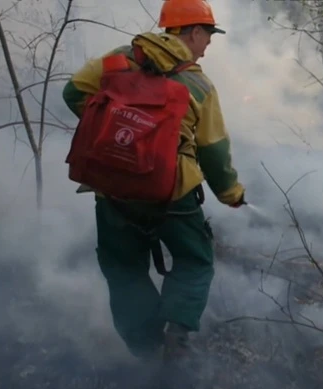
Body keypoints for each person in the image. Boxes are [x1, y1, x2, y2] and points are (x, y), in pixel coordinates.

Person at [61, 0, 245, 364]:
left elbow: (73, 93)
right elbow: (213, 151)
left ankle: (145, 348)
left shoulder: (118, 58)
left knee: (124, 268)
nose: (207, 45)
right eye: (207, 35)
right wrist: (231, 194)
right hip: (172, 194)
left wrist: (114, 129)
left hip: (113, 189)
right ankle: (177, 333)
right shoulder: (198, 83)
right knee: (194, 260)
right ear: (192, 31)